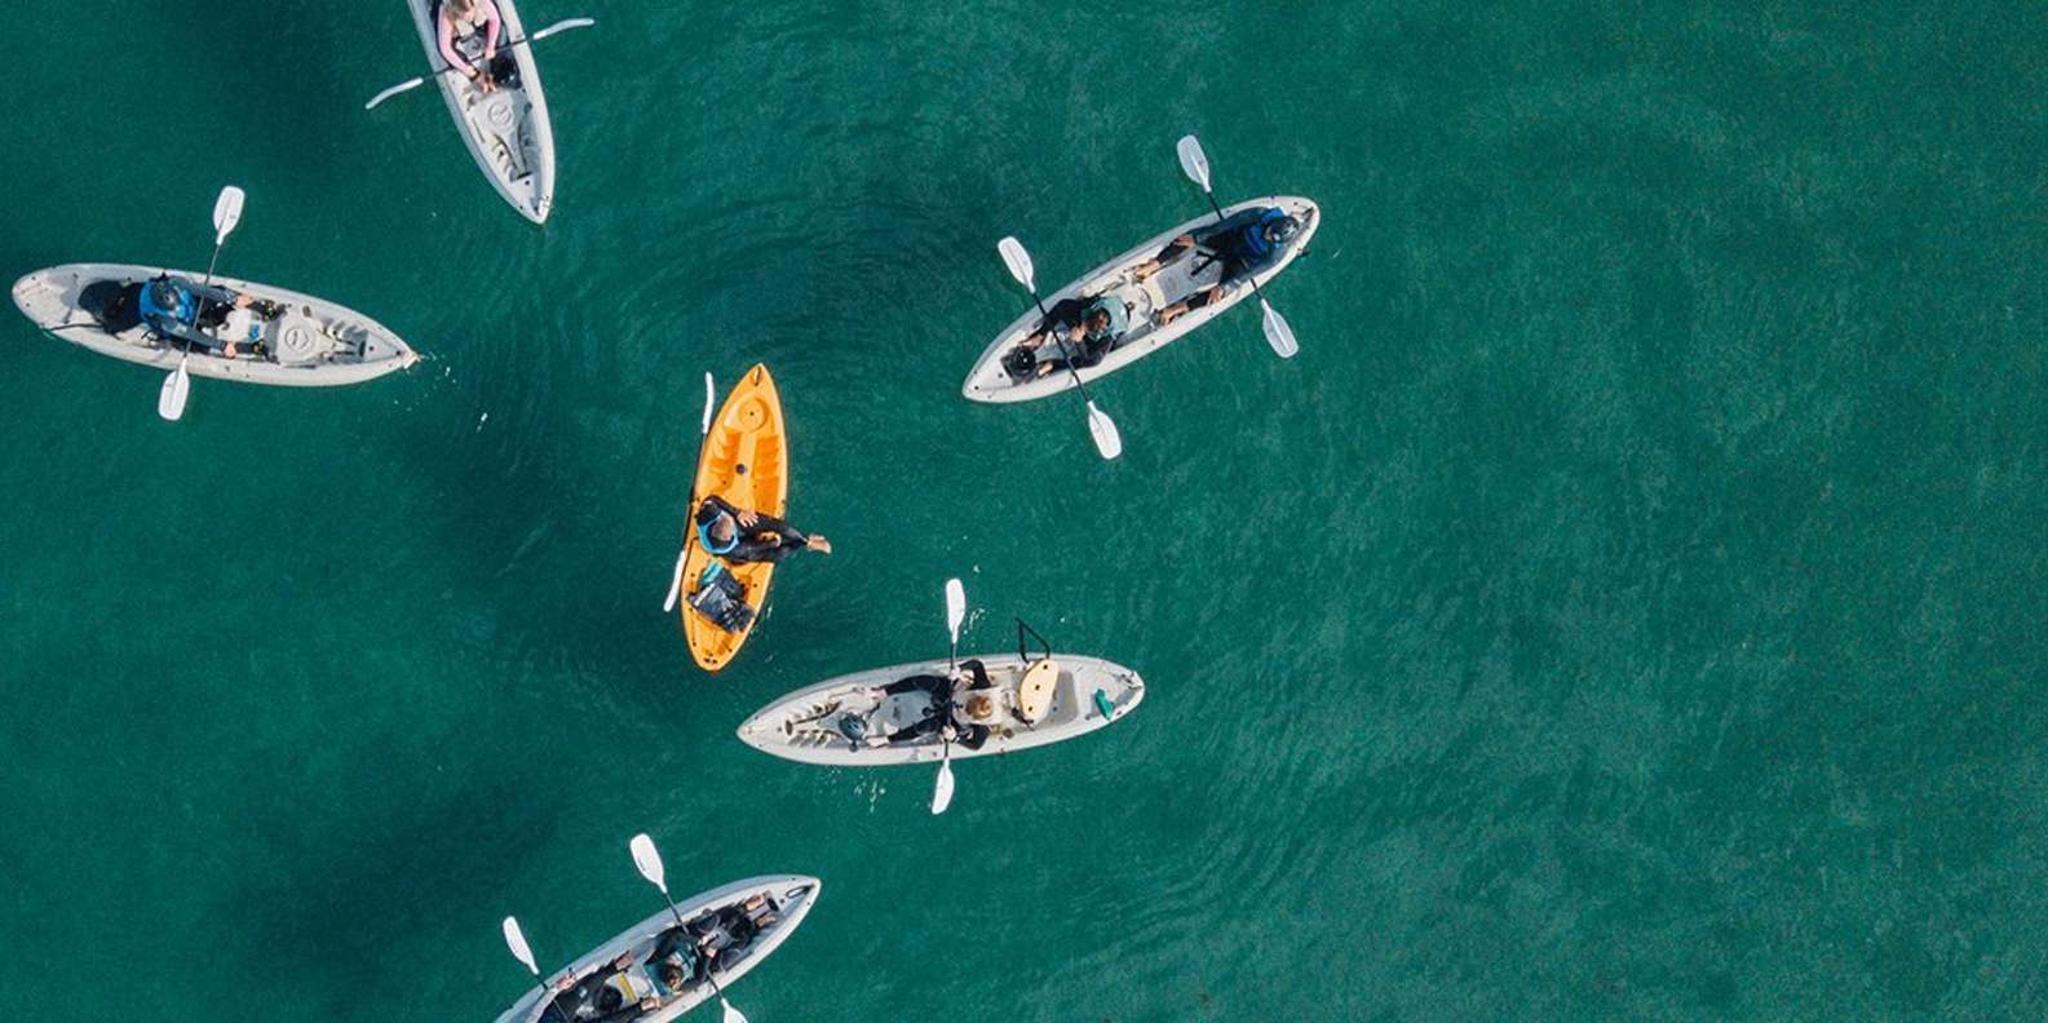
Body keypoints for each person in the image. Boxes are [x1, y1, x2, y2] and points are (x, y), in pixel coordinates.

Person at [1139, 207, 1304, 325]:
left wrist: (1225, 286)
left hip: (1243, 260)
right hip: (1230, 238)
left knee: (1220, 295)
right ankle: (1155, 263)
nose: (1266, 236)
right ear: (1273, 223)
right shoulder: (1260, 214)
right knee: (1189, 237)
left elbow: (1252, 272)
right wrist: (1199, 238)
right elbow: (1228, 223)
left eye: (1270, 238)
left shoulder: (1277, 254)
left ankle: (1175, 309)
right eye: (1268, 231)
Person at [861, 659, 996, 750]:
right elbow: (977, 664)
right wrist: (959, 669)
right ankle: (882, 693)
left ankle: (887, 739)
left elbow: (976, 745)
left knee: (925, 727)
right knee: (925, 682)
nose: (964, 707)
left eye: (967, 711)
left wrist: (955, 738)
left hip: (951, 720)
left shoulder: (982, 728)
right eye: (968, 702)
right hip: (951, 693)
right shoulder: (983, 686)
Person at [136, 275, 269, 358]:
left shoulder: (175, 282)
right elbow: (190, 333)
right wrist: (221, 345)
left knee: (221, 291)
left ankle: (262, 309)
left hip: (193, 307)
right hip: (184, 325)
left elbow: (203, 291)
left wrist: (232, 298)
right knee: (202, 346)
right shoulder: (164, 320)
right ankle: (252, 348)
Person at [694, 493, 831, 565]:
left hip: (738, 525)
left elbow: (712, 498)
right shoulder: (732, 548)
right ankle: (801, 544)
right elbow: (752, 548)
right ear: (730, 537)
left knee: (780, 527)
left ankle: (807, 540)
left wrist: (737, 513)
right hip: (742, 548)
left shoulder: (708, 515)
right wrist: (769, 543)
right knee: (780, 553)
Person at [1011, 295, 1127, 378]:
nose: (1098, 320)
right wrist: (1042, 333)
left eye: (1102, 322)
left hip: (1089, 343)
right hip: (1080, 322)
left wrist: (1079, 341)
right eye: (1098, 315)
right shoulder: (1088, 307)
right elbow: (1062, 306)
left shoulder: (1106, 339)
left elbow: (1091, 360)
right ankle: (1038, 338)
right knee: (1066, 308)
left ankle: (1053, 364)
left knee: (1091, 361)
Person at [438, 0, 504, 92]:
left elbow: (495, 20)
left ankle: (495, 66)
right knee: (446, 55)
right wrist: (466, 69)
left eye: (469, 14)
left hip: (478, 24)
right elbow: (445, 49)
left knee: (501, 30)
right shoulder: (447, 13)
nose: (468, 17)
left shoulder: (482, 2)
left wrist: (490, 46)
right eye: (464, 15)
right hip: (459, 29)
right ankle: (477, 76)